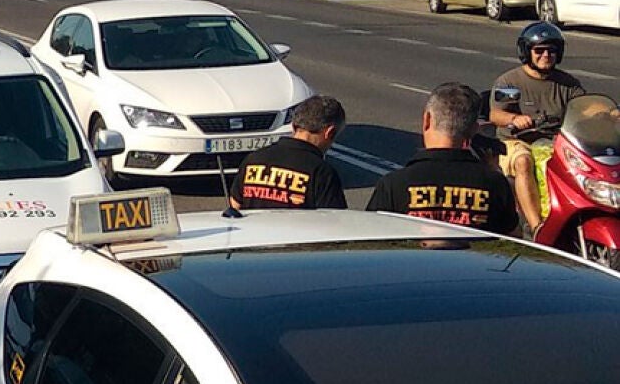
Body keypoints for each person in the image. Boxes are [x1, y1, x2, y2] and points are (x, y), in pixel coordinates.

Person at [368, 83, 519, 234]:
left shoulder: (393, 185)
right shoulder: (494, 184)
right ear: (474, 129)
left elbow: (370, 238)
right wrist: (495, 174)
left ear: (427, 120)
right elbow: (511, 239)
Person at [490, 21, 582, 232]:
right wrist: (514, 118)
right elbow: (497, 114)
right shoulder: (510, 83)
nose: (546, 55)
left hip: (554, 142)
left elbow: (584, 109)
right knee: (524, 161)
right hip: (514, 141)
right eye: (539, 50)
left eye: (552, 51)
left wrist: (605, 114)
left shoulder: (569, 85)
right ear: (526, 52)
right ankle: (536, 227)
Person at [230, 95, 349, 210]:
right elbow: (334, 221)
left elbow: (235, 206)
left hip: (255, 230)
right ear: (329, 132)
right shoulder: (322, 173)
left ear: (293, 126)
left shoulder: (253, 160)